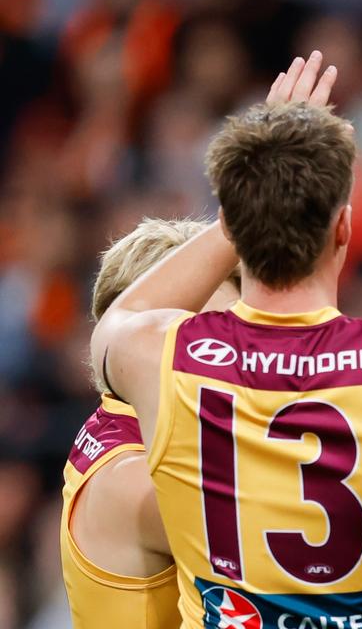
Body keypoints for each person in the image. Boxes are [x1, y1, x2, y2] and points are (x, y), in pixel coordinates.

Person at [90, 53, 362, 628]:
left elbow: (123, 311)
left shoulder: (153, 352)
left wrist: (251, 190)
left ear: (235, 223)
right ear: (345, 229)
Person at [61, 219, 237, 629]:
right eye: (203, 342)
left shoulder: (131, 421)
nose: (231, 359)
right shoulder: (134, 480)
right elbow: (328, 540)